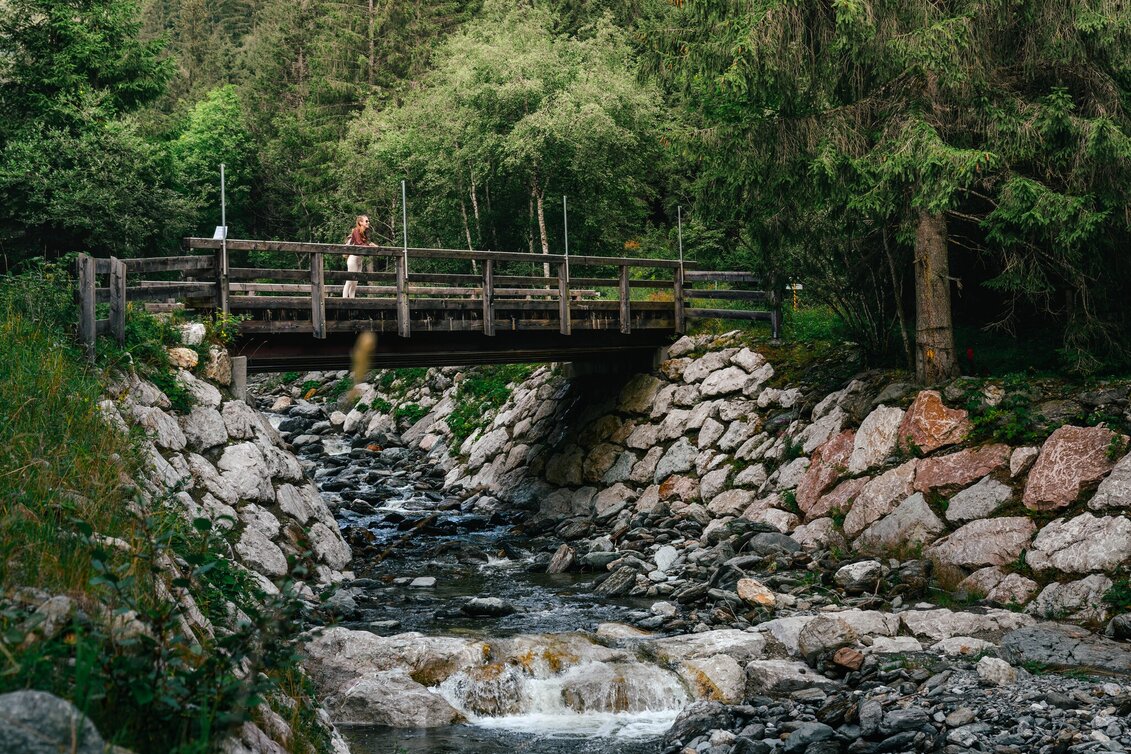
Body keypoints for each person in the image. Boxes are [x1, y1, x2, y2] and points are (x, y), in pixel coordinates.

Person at [343, 214, 376, 298]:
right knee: (350, 280)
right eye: (366, 221)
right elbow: (359, 243)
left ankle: (352, 300)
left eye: (368, 221)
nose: (368, 222)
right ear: (360, 222)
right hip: (353, 259)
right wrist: (370, 245)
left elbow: (366, 244)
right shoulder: (356, 231)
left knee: (355, 282)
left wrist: (371, 245)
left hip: (359, 260)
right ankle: (344, 300)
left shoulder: (365, 232)